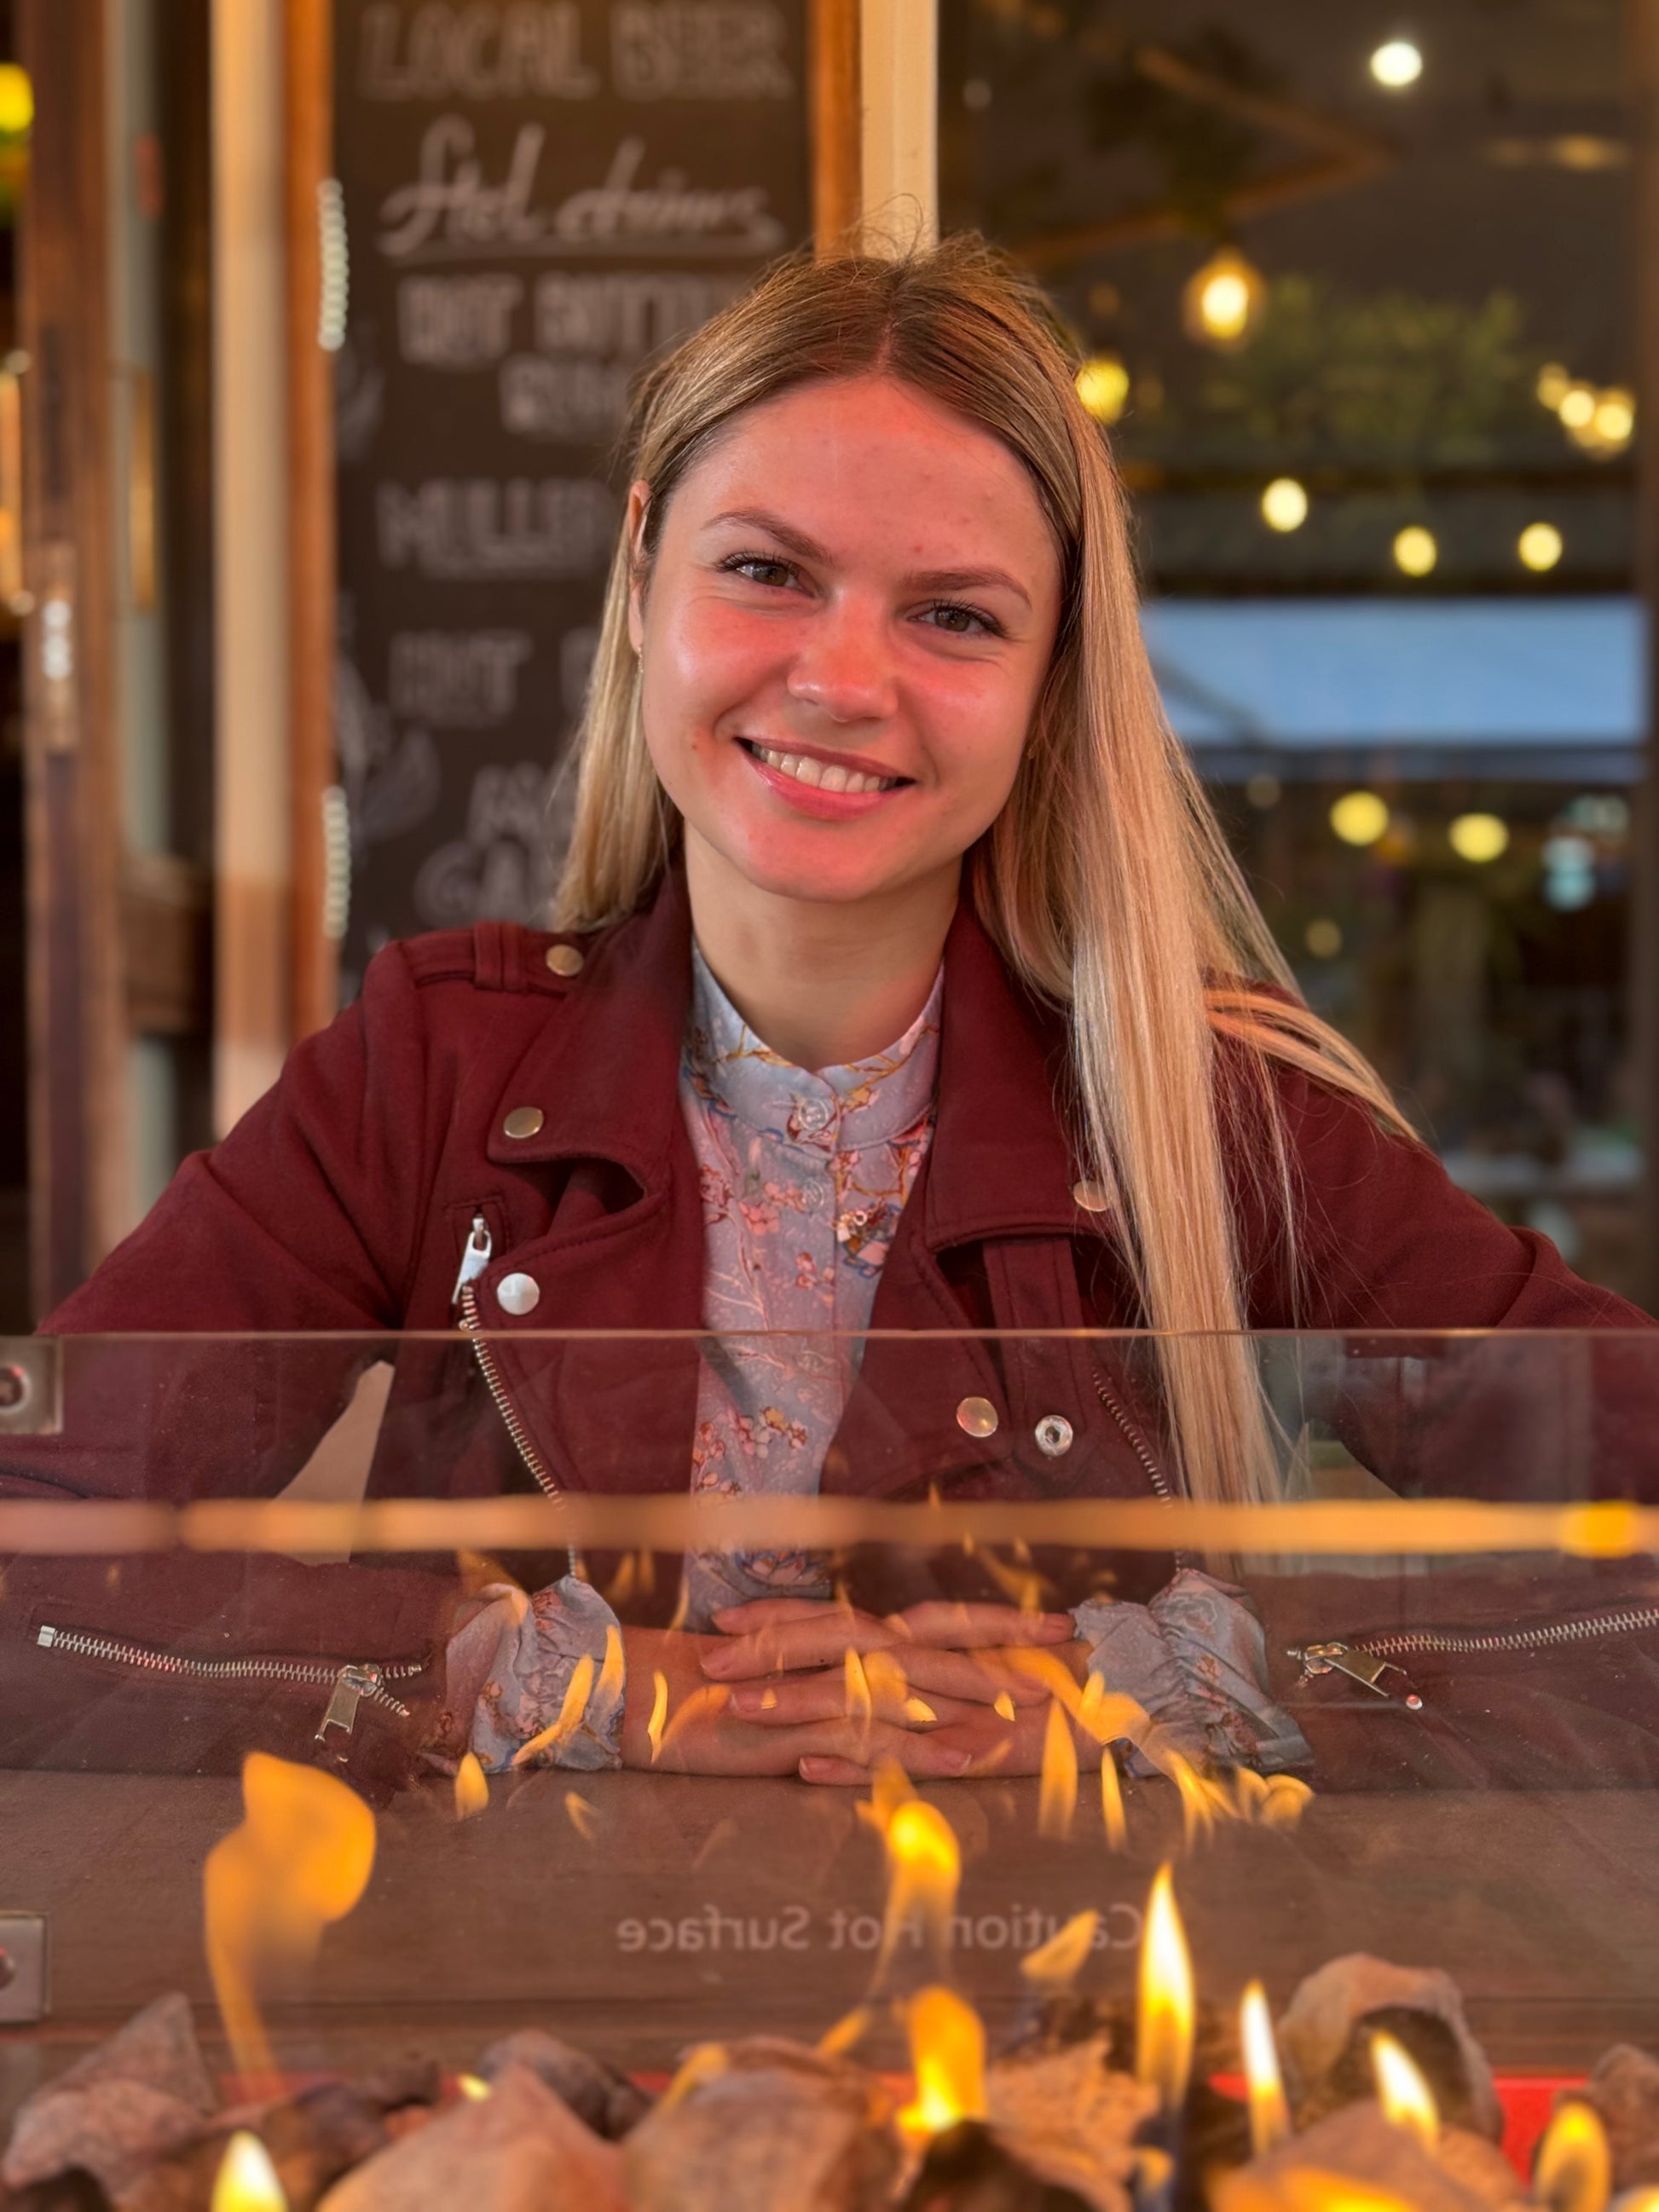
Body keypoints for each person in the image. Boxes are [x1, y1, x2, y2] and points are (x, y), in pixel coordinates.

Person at [4, 237, 1653, 1800]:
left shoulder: (1212, 1105)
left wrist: (1194, 1675)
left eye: (954, 615)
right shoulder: (429, 1067)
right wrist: (525, 1674)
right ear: (641, 571)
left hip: (1078, 1989)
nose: (842, 681)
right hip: (525, 1992)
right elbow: (28, 1548)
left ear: (1051, 676)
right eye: (766, 571)